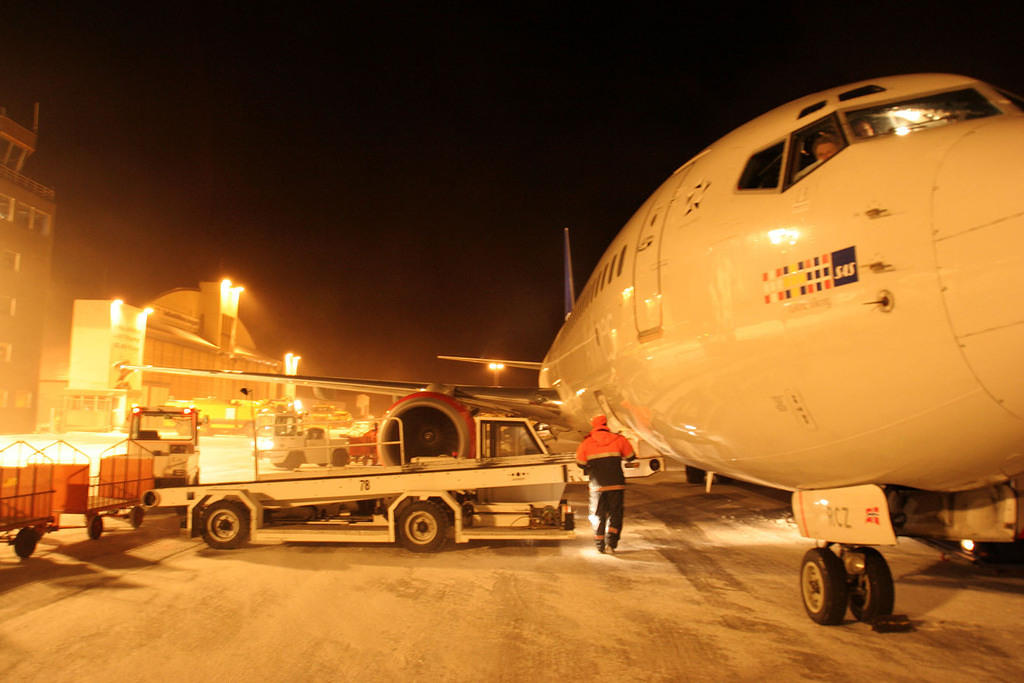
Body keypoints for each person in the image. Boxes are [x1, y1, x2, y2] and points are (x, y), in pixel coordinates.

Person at [576, 415, 635, 553]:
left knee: (598, 514)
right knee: (615, 514)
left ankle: (599, 543)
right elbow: (631, 456)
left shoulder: (586, 443)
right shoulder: (619, 440)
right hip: (616, 484)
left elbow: (581, 464)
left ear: (593, 426)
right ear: (606, 425)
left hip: (597, 486)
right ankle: (611, 544)